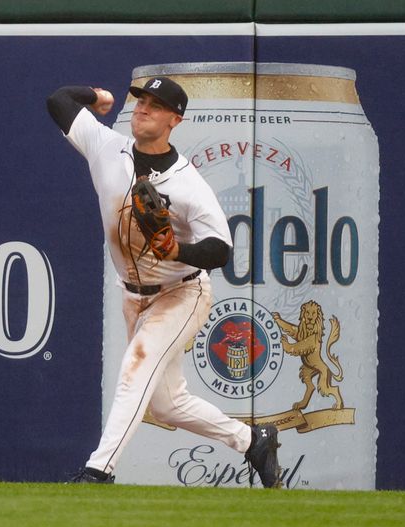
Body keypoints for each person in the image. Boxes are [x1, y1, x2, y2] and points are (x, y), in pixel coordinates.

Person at [46, 76, 281, 488]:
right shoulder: (107, 146)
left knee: (136, 367)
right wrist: (96, 97)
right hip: (133, 297)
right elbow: (59, 100)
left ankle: (98, 471)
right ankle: (252, 440)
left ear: (175, 119)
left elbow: (221, 249)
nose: (142, 109)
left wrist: (178, 253)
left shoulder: (188, 183)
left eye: (154, 105)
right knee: (168, 405)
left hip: (181, 293)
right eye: (140, 101)